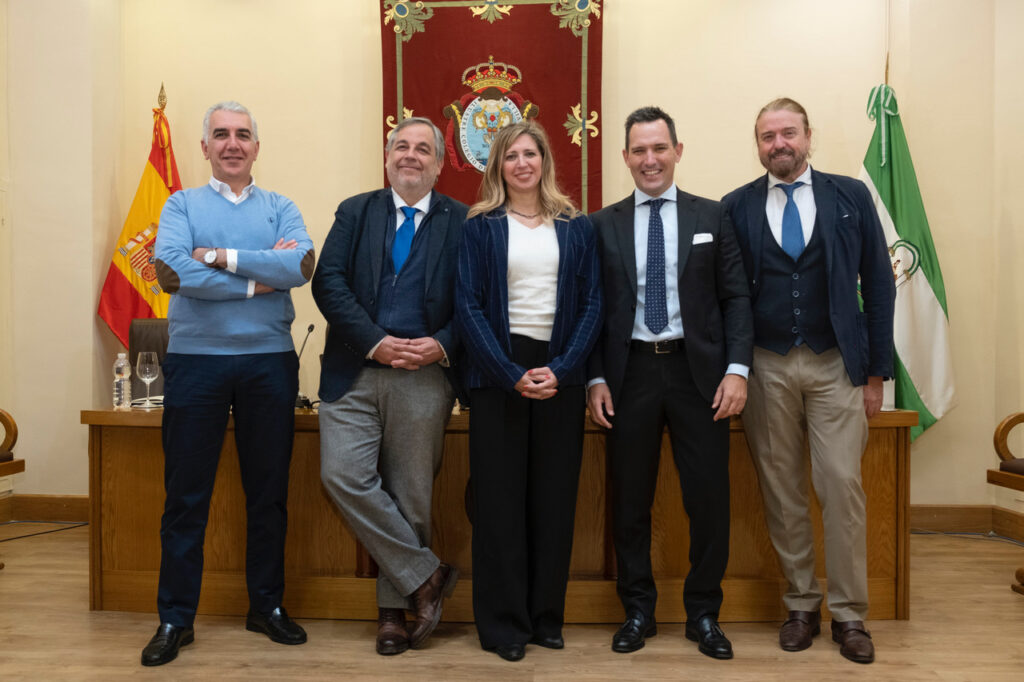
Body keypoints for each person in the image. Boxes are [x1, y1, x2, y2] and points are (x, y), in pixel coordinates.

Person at [721, 97, 895, 665]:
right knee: (782, 490)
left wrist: (876, 372)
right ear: (758, 144)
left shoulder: (851, 195)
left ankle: (849, 614)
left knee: (842, 485)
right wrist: (735, 367)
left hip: (836, 363)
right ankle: (800, 605)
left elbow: (879, 283)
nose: (779, 144)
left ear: (808, 135)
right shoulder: (736, 206)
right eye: (768, 136)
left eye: (788, 133)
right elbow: (730, 295)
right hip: (766, 365)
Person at [144, 101, 314, 666]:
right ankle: (175, 618)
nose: (233, 144)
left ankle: (266, 607)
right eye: (221, 134)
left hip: (269, 363)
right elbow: (172, 271)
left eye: (243, 134)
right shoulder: (180, 204)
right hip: (196, 364)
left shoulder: (281, 207)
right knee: (185, 497)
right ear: (205, 147)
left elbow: (299, 267)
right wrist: (255, 281)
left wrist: (217, 257)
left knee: (268, 494)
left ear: (256, 147)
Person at [587, 106, 753, 660]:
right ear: (625, 157)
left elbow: (736, 298)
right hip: (628, 375)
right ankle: (637, 609)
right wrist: (595, 377)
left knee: (707, 500)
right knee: (629, 500)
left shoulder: (714, 215)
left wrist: (737, 370)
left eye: (659, 148)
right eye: (639, 150)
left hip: (698, 376)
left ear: (678, 151)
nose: (650, 159)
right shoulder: (601, 224)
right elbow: (591, 309)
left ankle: (704, 612)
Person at [312, 117, 467, 656]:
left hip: (424, 375)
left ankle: (393, 613)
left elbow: (477, 299)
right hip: (353, 369)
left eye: (423, 149)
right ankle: (426, 575)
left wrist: (442, 344)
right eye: (401, 146)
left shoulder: (464, 221)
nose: (410, 155)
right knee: (341, 475)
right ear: (386, 157)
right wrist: (374, 341)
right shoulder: (355, 212)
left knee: (411, 494)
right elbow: (328, 282)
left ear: (439, 164)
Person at [455, 121, 603, 662]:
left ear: (545, 161)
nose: (522, 163)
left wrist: (561, 369)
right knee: (499, 505)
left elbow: (593, 304)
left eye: (530, 154)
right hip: (498, 373)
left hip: (560, 372)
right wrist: (507, 372)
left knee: (553, 502)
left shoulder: (576, 226)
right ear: (498, 165)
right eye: (511, 155)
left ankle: (545, 618)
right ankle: (504, 626)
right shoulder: (480, 227)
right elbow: (467, 305)